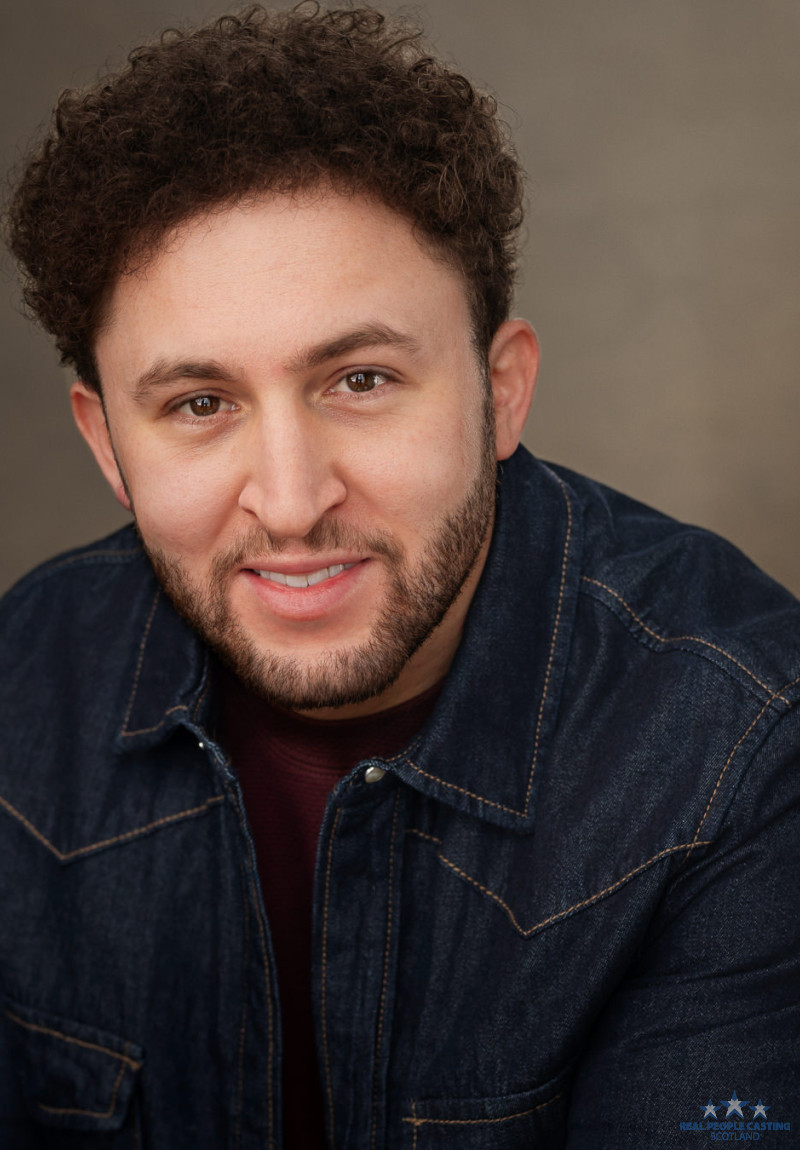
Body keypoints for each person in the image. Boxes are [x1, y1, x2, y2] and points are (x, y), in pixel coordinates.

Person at [1, 4, 798, 1147]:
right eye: (200, 403)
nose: (290, 501)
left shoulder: (738, 746)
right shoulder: (22, 696)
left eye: (361, 380)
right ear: (107, 445)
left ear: (499, 389)